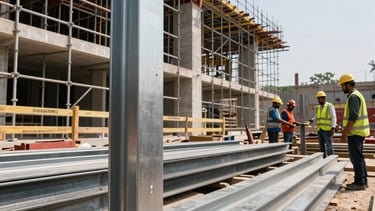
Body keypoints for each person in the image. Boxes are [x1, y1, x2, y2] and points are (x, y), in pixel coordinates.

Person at [339, 73, 370, 190]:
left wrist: (344, 133)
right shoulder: (357, 95)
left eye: (342, 86)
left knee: (356, 158)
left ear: (348, 84)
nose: (342, 88)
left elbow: (353, 117)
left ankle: (359, 183)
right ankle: (363, 181)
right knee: (359, 157)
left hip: (355, 133)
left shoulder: (353, 97)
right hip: (358, 133)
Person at [308, 91, 336, 158]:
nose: (318, 100)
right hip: (320, 129)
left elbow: (334, 117)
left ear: (324, 98)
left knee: (329, 146)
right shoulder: (318, 107)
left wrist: (333, 128)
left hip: (327, 130)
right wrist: (312, 119)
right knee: (321, 146)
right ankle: (323, 159)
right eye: (318, 98)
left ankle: (331, 159)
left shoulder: (329, 106)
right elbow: (317, 116)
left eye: (320, 98)